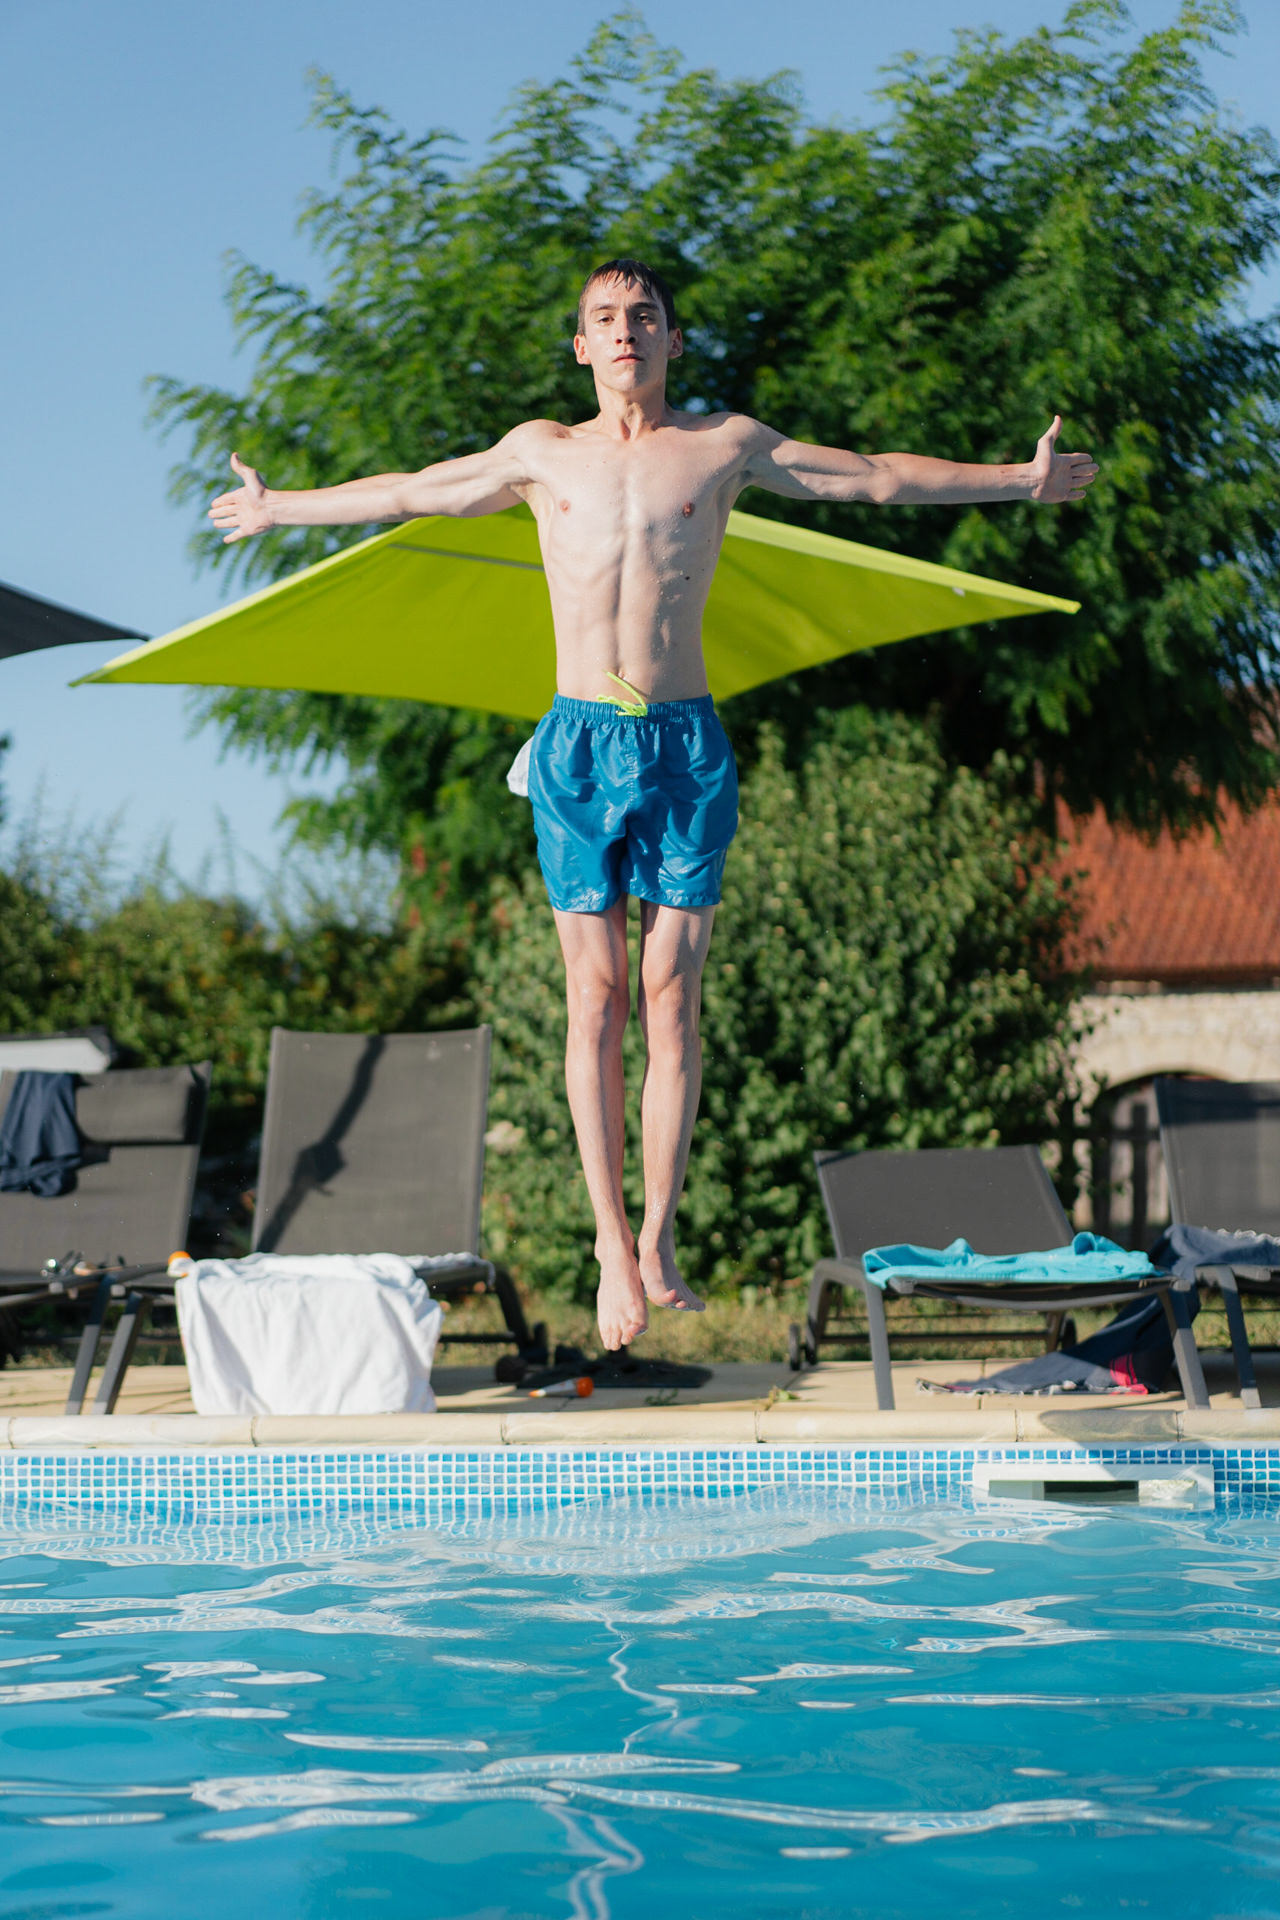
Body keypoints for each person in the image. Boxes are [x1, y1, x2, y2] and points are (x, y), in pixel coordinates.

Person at [210, 257, 1098, 1352]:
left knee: (669, 997)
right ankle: (606, 1240)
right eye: (604, 317)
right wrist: (279, 508)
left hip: (683, 746)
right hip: (579, 746)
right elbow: (407, 492)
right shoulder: (540, 453)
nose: (625, 330)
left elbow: (871, 478)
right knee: (594, 998)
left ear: (674, 341)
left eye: (644, 315)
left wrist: (1018, 480)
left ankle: (659, 1235)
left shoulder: (724, 446)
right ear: (581, 346)